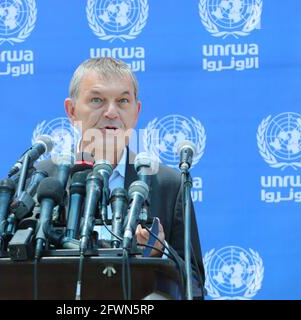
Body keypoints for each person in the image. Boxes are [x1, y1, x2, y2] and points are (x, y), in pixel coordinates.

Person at [35, 57, 205, 299]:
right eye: (97, 100)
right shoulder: (43, 179)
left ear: (136, 111)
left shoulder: (167, 184)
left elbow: (195, 286)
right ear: (71, 111)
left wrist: (159, 256)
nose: (111, 112)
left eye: (123, 101)